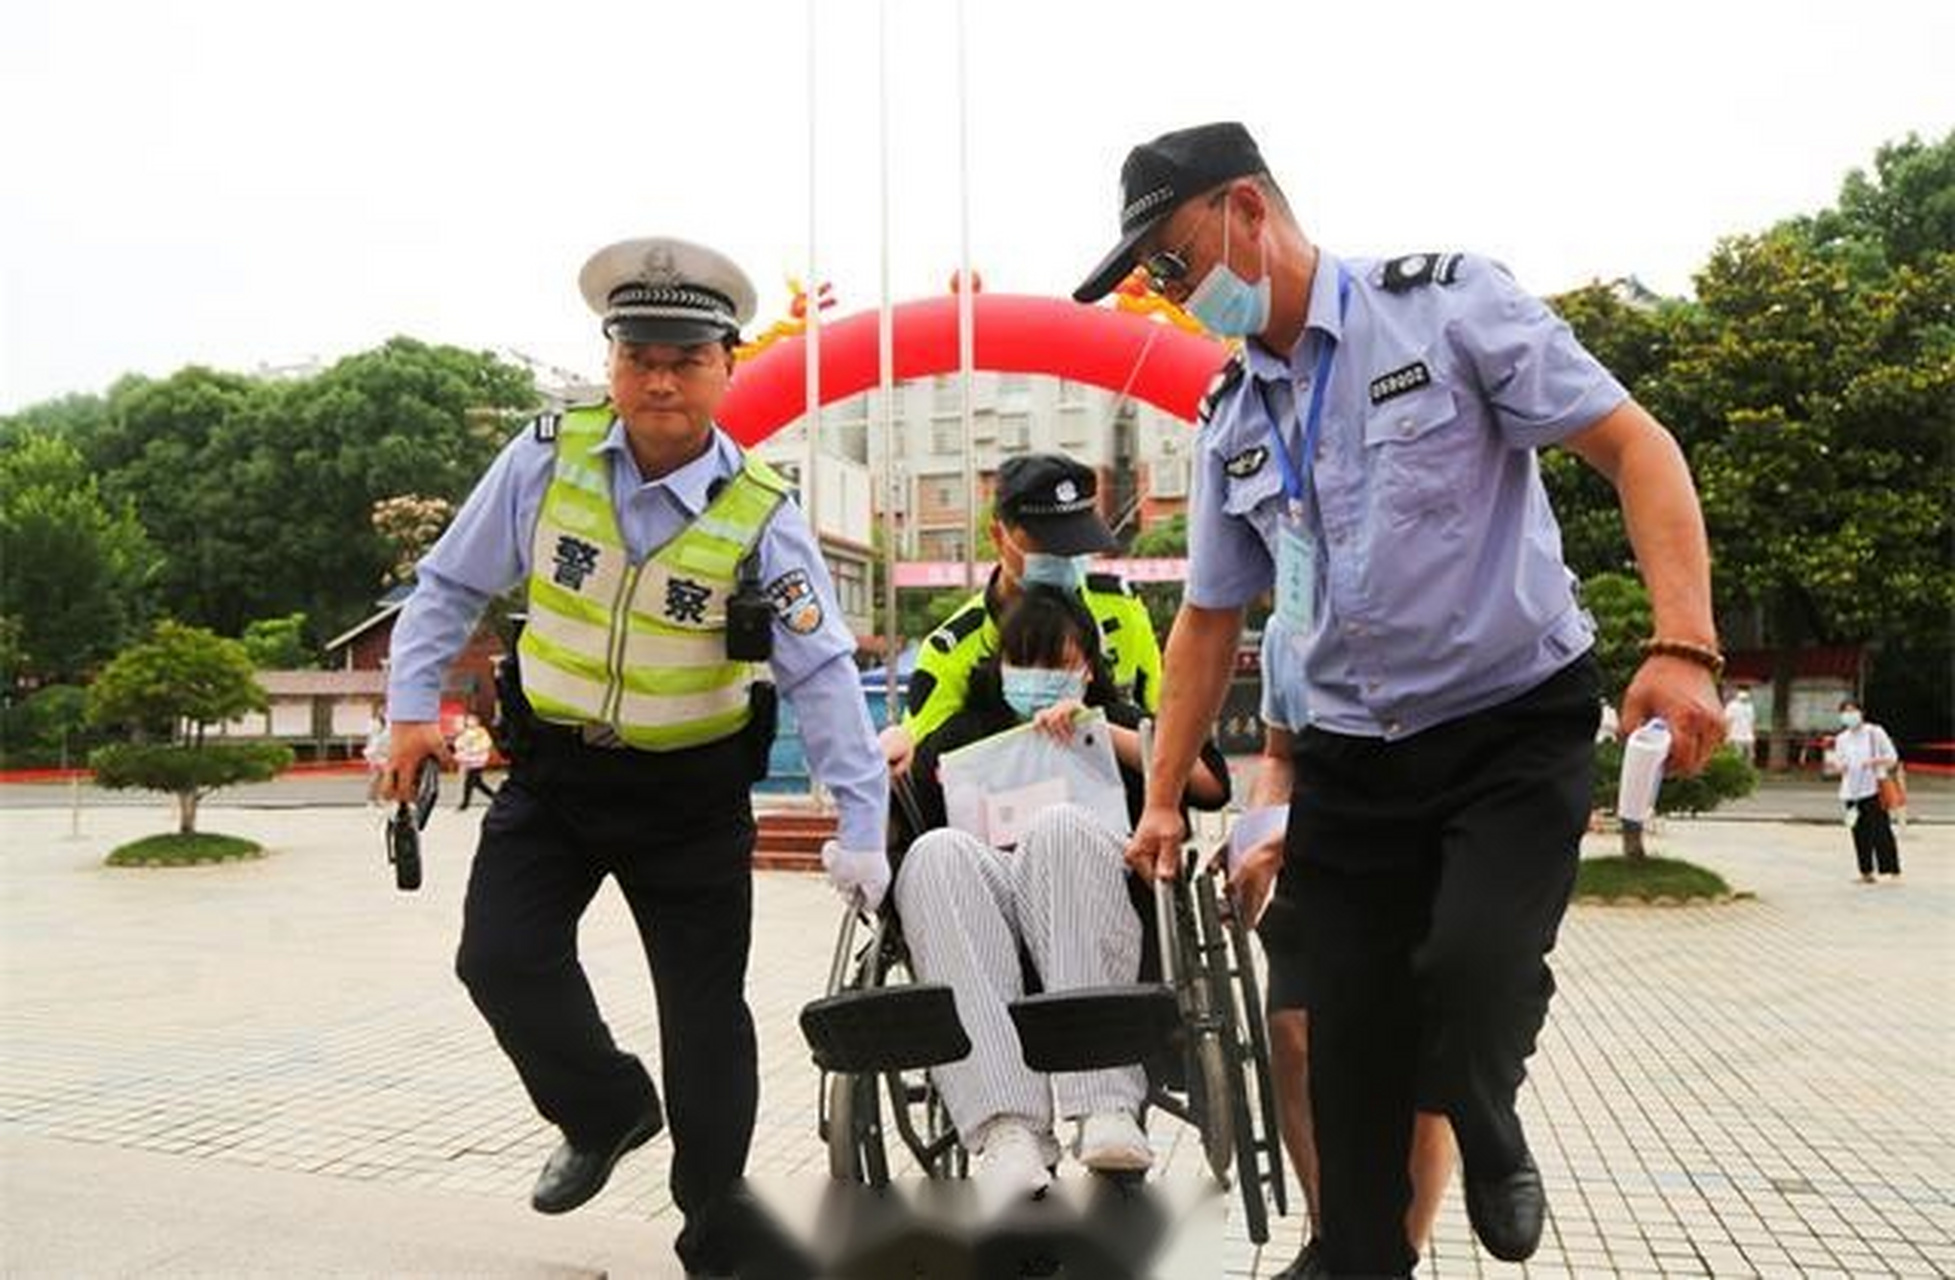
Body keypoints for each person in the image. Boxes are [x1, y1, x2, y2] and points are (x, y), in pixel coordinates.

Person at [1086, 123, 1725, 1277]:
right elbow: (1207, 620)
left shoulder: (1444, 307)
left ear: (1246, 210)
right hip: (1350, 763)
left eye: (1176, 264)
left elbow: (1636, 448)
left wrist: (1683, 644)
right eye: (1158, 283)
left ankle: (1484, 1113)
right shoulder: (1231, 415)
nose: (1176, 295)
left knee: (1473, 967)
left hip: (1506, 723)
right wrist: (1164, 794)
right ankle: (1364, 1255)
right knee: (1338, 1037)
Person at [382, 236, 888, 1279]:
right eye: (637, 354)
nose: (659, 377)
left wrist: (864, 823)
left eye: (685, 356)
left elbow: (825, 674)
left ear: (726, 364)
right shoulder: (541, 457)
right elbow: (444, 587)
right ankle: (605, 1107)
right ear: (610, 359)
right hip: (556, 775)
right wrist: (408, 709)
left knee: (704, 1015)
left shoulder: (759, 514)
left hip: (690, 795)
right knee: (499, 957)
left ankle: (718, 1227)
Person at [893, 587, 1230, 1213]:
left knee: (1060, 827)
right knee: (933, 854)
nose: (1043, 679)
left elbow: (1210, 784)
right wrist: (889, 759)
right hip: (991, 906)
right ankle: (1007, 1129)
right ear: (1001, 666)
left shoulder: (1115, 717)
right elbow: (910, 791)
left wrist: (1099, 729)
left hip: (1093, 895)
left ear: (1088, 666)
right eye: (1028, 662)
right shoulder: (967, 729)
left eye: (1061, 665)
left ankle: (1104, 1103)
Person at [1233, 616, 1454, 1280]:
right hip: (1314, 848)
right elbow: (1277, 756)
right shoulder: (1286, 626)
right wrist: (1257, 835)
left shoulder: (1439, 602)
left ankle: (1394, 1257)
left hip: (1427, 852)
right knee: (1292, 1034)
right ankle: (1333, 1241)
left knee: (1421, 1065)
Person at [879, 453, 1162, 773]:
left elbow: (1164, 725)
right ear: (999, 537)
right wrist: (901, 743)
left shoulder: (1121, 610)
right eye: (1047, 543)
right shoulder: (951, 650)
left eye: (1076, 544)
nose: (1065, 557)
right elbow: (919, 756)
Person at [1827, 699, 1900, 882]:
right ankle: (1865, 872)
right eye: (1845, 712)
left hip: (1874, 788)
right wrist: (1839, 766)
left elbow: (1892, 757)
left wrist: (1876, 761)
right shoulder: (1842, 738)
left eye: (1853, 711)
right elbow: (1838, 760)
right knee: (1859, 832)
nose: (1850, 715)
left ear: (1861, 713)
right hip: (1851, 791)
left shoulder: (1874, 732)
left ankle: (1891, 869)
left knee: (1881, 830)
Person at [452, 714, 498, 811]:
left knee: (470, 781)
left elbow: (486, 743)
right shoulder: (465, 732)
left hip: (478, 760)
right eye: (468, 720)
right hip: (469, 760)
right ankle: (495, 797)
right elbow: (458, 743)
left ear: (477, 722)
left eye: (472, 720)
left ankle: (465, 804)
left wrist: (475, 748)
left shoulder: (481, 731)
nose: (470, 722)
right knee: (477, 782)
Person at [362, 709, 391, 804]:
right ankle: (371, 798)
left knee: (384, 776)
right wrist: (370, 754)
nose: (382, 712)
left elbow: (389, 736)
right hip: (375, 753)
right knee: (375, 777)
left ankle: (381, 797)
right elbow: (370, 739)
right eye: (380, 710)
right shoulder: (373, 723)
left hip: (385, 753)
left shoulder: (389, 722)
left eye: (384, 710)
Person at [1723, 687, 1757, 764]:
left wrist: (1753, 735)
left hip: (1748, 735)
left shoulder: (1750, 706)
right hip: (1736, 735)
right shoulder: (1731, 705)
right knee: (1738, 756)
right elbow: (1728, 720)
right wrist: (1727, 735)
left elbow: (1752, 721)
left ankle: (1748, 772)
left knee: (1751, 756)